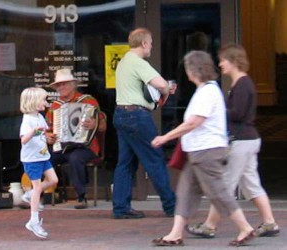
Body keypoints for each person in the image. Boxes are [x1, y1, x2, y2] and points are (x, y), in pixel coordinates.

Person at [151, 51, 255, 247]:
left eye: (188, 69)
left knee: (218, 192)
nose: (186, 73)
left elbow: (194, 122)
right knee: (186, 192)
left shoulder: (207, 92)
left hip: (206, 151)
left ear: (194, 70)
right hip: (197, 152)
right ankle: (175, 233)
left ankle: (245, 227)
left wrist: (165, 137)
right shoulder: (206, 90)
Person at [187, 44, 280, 238]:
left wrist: (216, 111)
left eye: (223, 60)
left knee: (225, 185)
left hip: (241, 141)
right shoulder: (243, 83)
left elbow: (237, 113)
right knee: (252, 183)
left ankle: (210, 225)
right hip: (250, 139)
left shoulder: (242, 84)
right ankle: (270, 222)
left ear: (234, 61)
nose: (220, 64)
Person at [112, 27, 176, 219]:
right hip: (137, 116)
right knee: (154, 158)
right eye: (151, 44)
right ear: (144, 43)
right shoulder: (138, 62)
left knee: (125, 163)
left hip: (121, 114)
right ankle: (171, 206)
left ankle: (121, 207)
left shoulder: (123, 62)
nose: (151, 48)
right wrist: (168, 88)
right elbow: (161, 84)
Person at [45, 68, 107, 209]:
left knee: (75, 157)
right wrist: (48, 137)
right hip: (62, 147)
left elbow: (103, 125)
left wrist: (94, 124)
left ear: (73, 85)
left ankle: (81, 196)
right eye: (58, 85)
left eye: (64, 84)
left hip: (86, 146)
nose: (61, 88)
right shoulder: (55, 106)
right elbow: (46, 130)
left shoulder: (88, 101)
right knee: (44, 159)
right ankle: (40, 194)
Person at [19, 87, 58, 239]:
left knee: (53, 180)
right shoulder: (28, 120)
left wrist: (48, 137)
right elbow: (23, 139)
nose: (45, 103)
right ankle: (33, 221)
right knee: (37, 187)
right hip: (32, 159)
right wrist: (34, 131)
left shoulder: (39, 117)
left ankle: (30, 195)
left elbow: (42, 136)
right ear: (34, 102)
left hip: (42, 156)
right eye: (43, 100)